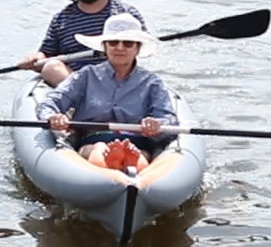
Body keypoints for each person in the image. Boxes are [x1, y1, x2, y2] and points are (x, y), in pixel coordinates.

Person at [37, 13, 176, 172]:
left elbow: (168, 119)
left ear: (137, 48)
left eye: (128, 43)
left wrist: (156, 125)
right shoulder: (86, 75)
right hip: (93, 138)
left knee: (140, 156)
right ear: (105, 47)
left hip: (136, 141)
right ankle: (109, 164)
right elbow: (51, 103)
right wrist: (53, 117)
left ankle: (130, 166)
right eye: (113, 42)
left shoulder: (152, 83)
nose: (120, 48)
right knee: (97, 149)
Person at [19, 0, 146, 86]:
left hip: (117, 78)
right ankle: (87, 98)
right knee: (52, 68)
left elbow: (143, 48)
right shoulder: (61, 19)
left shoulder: (126, 14)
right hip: (75, 85)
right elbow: (46, 53)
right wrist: (36, 59)